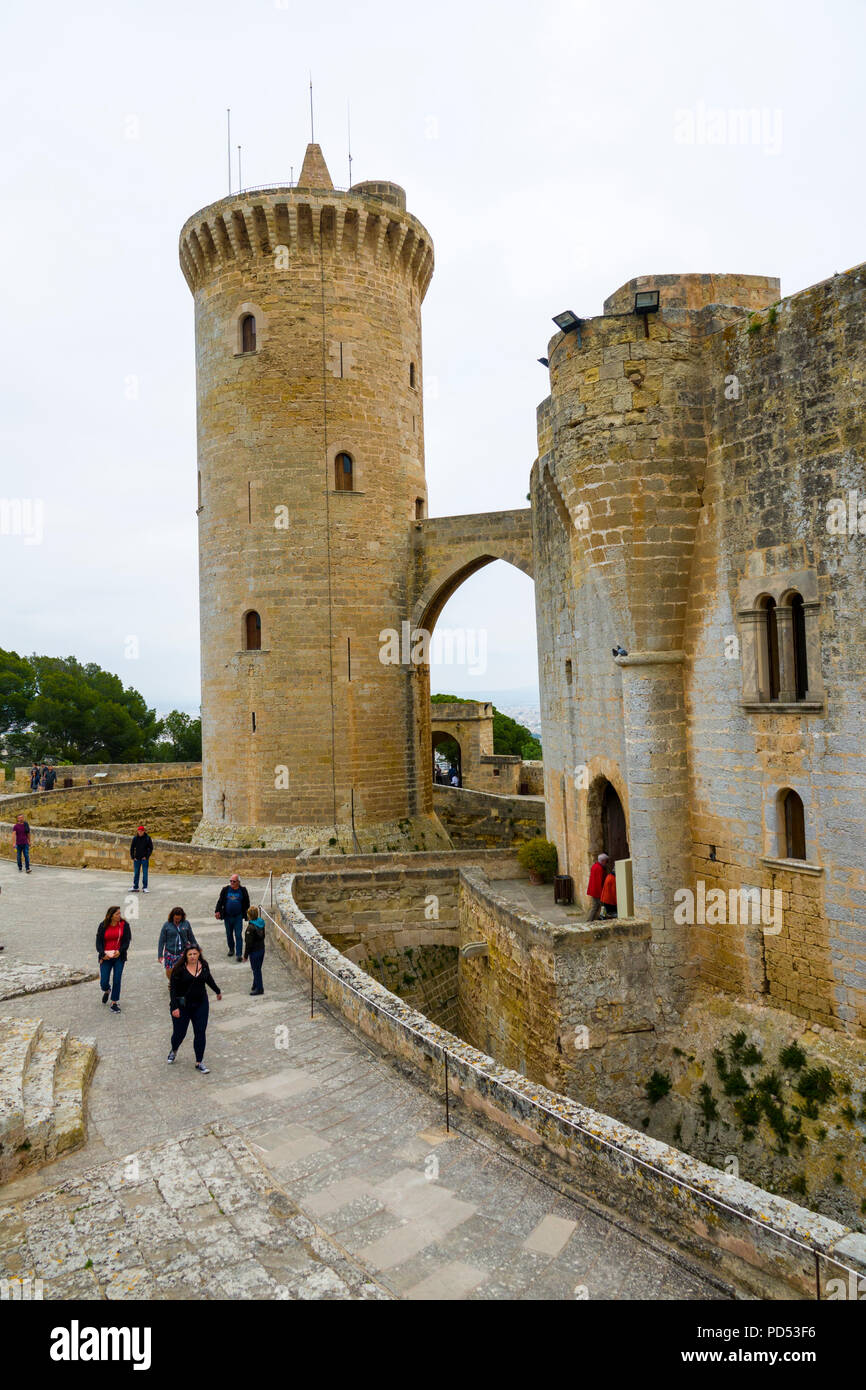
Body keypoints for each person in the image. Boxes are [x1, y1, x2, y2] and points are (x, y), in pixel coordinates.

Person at [167, 945, 222, 1072]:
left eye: (195, 954)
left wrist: (217, 991)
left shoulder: (204, 965)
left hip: (200, 1004)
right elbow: (173, 989)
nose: (192, 956)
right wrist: (175, 1007)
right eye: (190, 954)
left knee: (200, 1032)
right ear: (186, 956)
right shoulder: (179, 969)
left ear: (199, 954)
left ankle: (199, 1061)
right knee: (179, 1033)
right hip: (182, 1006)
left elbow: (208, 979)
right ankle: (174, 1049)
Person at [96, 905, 131, 1013]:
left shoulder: (124, 925)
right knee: (103, 981)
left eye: (120, 913)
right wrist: (102, 954)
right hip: (106, 956)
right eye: (117, 914)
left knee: (117, 978)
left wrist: (120, 951)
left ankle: (114, 1002)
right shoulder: (103, 925)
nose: (119, 915)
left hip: (118, 956)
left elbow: (127, 941)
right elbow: (98, 942)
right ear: (111, 916)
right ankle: (107, 990)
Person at [158, 907, 199, 983]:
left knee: (183, 970)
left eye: (179, 919)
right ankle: (172, 983)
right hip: (169, 952)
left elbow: (191, 937)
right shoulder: (166, 925)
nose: (177, 920)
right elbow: (161, 940)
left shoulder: (186, 924)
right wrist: (160, 955)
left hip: (183, 952)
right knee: (169, 970)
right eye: (175, 918)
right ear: (172, 916)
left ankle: (181, 984)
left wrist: (197, 948)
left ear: (182, 917)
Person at [215, 873, 250, 961]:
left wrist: (247, 914)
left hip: (238, 916)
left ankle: (238, 954)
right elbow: (220, 901)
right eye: (230, 881)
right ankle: (231, 949)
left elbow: (247, 903)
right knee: (229, 934)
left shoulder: (243, 890)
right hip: (227, 916)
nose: (232, 883)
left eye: (234, 881)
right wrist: (217, 911)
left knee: (238, 935)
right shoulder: (225, 890)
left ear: (238, 882)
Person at [243, 906, 266, 996]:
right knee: (258, 968)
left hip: (254, 951)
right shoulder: (261, 923)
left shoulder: (250, 928)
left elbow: (248, 944)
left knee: (256, 970)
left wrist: (245, 956)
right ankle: (255, 984)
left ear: (249, 916)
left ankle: (259, 989)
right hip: (261, 949)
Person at [585, 852, 609, 921]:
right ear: (603, 861)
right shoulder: (600, 869)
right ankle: (597, 920)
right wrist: (602, 894)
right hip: (597, 892)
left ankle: (592, 920)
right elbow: (599, 882)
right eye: (606, 861)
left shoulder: (595, 866)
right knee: (601, 906)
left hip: (593, 891)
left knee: (596, 906)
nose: (606, 863)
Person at [130, 824, 153, 893]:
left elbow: (151, 848)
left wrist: (146, 856)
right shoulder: (135, 838)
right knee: (136, 873)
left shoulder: (147, 838)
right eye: (138, 831)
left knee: (145, 873)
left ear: (143, 831)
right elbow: (132, 848)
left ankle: (145, 887)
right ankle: (135, 887)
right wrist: (133, 857)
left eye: (141, 831)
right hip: (137, 859)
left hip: (144, 859)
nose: (139, 832)